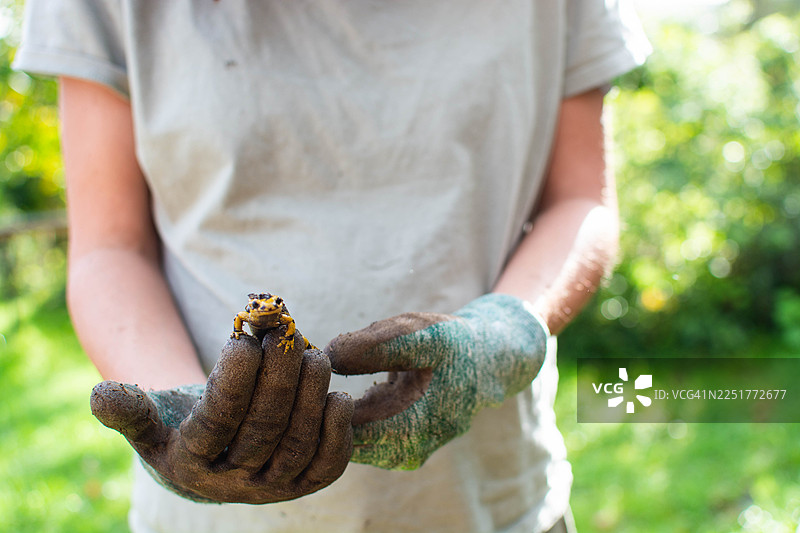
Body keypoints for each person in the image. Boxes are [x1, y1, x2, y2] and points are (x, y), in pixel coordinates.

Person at [14, 1, 649, 532]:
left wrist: (508, 330)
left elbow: (580, 198)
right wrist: (177, 410)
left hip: (494, 500)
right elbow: (109, 247)